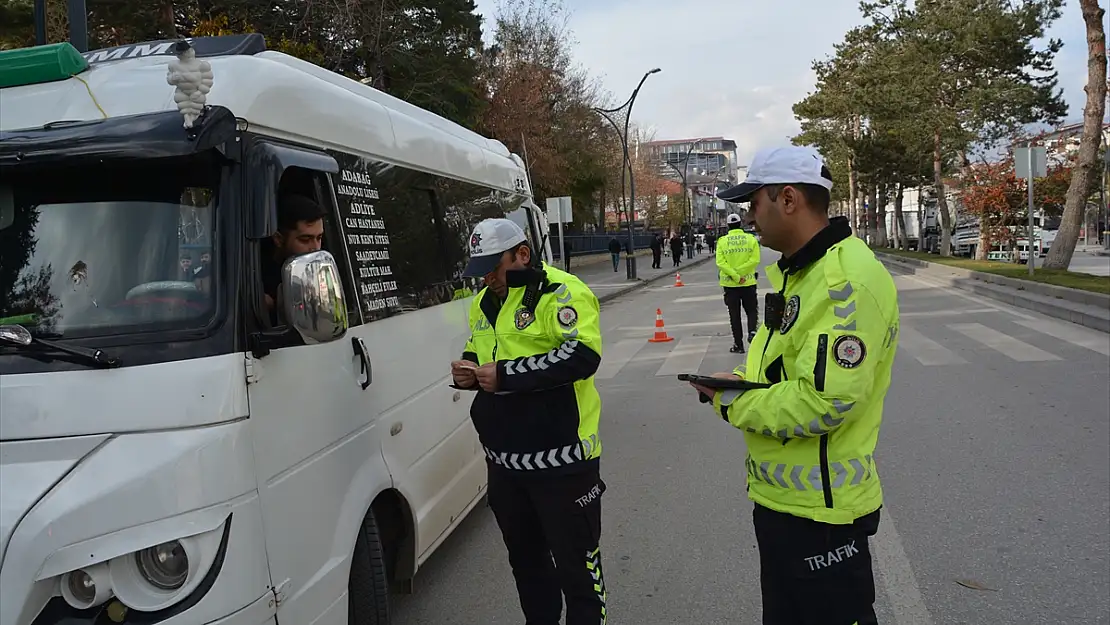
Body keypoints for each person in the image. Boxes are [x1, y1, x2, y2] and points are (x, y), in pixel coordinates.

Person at [690, 145, 900, 625]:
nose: (748, 217)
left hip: (822, 516)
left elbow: (825, 403)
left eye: (753, 203)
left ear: (788, 199)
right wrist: (742, 380)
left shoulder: (841, 283)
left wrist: (730, 401)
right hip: (788, 505)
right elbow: (784, 370)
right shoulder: (800, 273)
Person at [450, 218, 608, 625]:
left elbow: (582, 357)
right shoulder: (484, 301)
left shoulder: (562, 291)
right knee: (528, 568)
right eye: (480, 270)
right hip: (506, 466)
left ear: (522, 254)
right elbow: (479, 347)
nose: (487, 278)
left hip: (564, 464)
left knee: (579, 575)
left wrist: (504, 375)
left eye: (493, 267)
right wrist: (469, 368)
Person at [262, 194, 325, 323]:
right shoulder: (254, 276)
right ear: (278, 239)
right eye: (305, 239)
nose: (315, 248)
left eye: (319, 238)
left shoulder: (321, 272)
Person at [716, 212, 761, 353]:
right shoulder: (750, 239)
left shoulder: (722, 241)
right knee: (752, 311)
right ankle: (752, 332)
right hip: (748, 283)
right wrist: (741, 274)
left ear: (728, 226)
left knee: (734, 315)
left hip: (730, 285)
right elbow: (754, 260)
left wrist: (735, 275)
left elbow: (720, 263)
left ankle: (738, 345)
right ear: (740, 224)